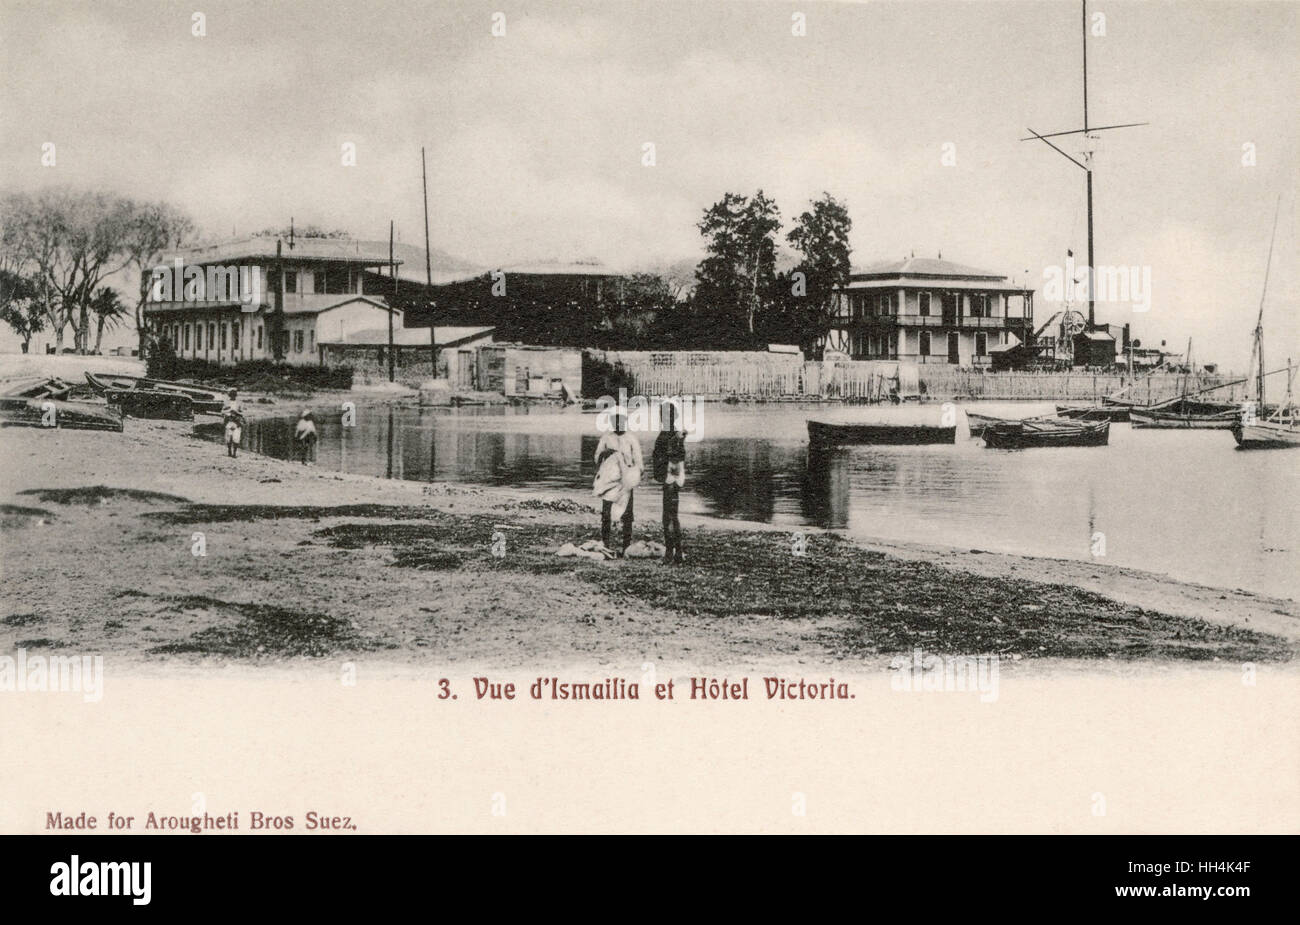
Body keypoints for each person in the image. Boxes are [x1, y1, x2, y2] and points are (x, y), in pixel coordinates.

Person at [592, 411, 643, 554]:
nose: (618, 425)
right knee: (606, 513)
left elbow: (639, 462)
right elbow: (596, 458)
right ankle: (606, 543)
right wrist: (605, 454)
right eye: (615, 422)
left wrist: (634, 477)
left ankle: (626, 546)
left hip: (625, 481)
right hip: (609, 481)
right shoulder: (606, 438)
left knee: (627, 514)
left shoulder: (631, 439)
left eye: (621, 422)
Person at [652, 400, 686, 564]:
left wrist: (667, 480)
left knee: (668, 517)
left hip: (670, 479)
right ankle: (676, 551)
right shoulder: (675, 434)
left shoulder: (669, 435)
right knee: (674, 516)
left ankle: (670, 553)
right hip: (673, 479)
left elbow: (674, 460)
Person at [221, 389, 244, 458]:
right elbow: (222, 412)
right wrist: (229, 411)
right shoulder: (226, 402)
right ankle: (229, 451)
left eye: (234, 394)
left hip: (237, 422)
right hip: (229, 421)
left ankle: (234, 453)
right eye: (231, 394)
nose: (232, 396)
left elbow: (242, 413)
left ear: (236, 395)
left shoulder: (239, 403)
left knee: (236, 438)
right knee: (229, 438)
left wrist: (236, 412)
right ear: (229, 395)